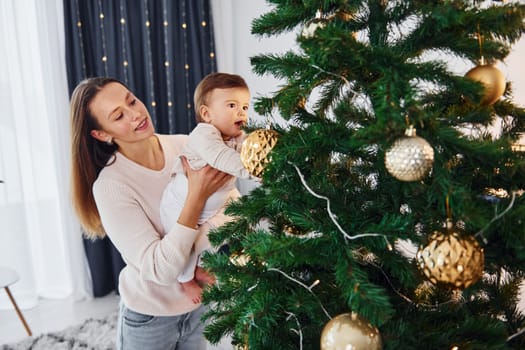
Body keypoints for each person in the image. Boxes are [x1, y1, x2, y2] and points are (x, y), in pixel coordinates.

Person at [70, 76, 233, 350]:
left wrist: (194, 254)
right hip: (149, 319)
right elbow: (161, 270)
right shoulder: (111, 187)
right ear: (102, 134)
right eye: (119, 115)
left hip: (198, 307)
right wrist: (196, 196)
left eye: (131, 100)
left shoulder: (186, 145)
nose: (135, 114)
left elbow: (233, 210)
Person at [160, 72, 254, 305]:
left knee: (221, 230)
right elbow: (222, 158)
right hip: (179, 206)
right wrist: (258, 169)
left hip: (213, 206)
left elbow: (251, 148)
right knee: (186, 244)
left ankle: (200, 267)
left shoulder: (236, 135)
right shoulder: (204, 135)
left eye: (245, 106)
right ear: (206, 114)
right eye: (232, 105)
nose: (241, 112)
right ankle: (185, 279)